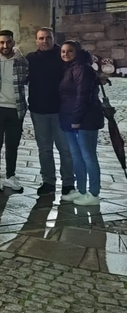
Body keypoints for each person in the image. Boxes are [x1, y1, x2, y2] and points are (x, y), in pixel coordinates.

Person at [26, 28, 75, 198]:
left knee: (65, 149)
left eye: (48, 38)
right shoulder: (31, 58)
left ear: (54, 38)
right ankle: (48, 181)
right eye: (41, 38)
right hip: (38, 110)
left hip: (61, 111)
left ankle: (69, 182)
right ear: (36, 41)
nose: (44, 41)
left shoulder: (62, 56)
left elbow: (78, 66)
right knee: (44, 148)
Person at [0, 30, 29, 193]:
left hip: (16, 109)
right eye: (2, 42)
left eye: (8, 42)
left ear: (13, 42)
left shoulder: (22, 62)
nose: (5, 46)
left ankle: (11, 176)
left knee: (12, 145)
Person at [58, 41, 104, 206]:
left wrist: (76, 119)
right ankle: (82, 190)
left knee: (88, 156)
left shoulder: (82, 68)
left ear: (77, 52)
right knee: (77, 156)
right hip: (70, 119)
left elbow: (83, 95)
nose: (65, 54)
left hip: (84, 120)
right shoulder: (70, 67)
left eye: (69, 51)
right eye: (63, 51)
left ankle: (93, 193)